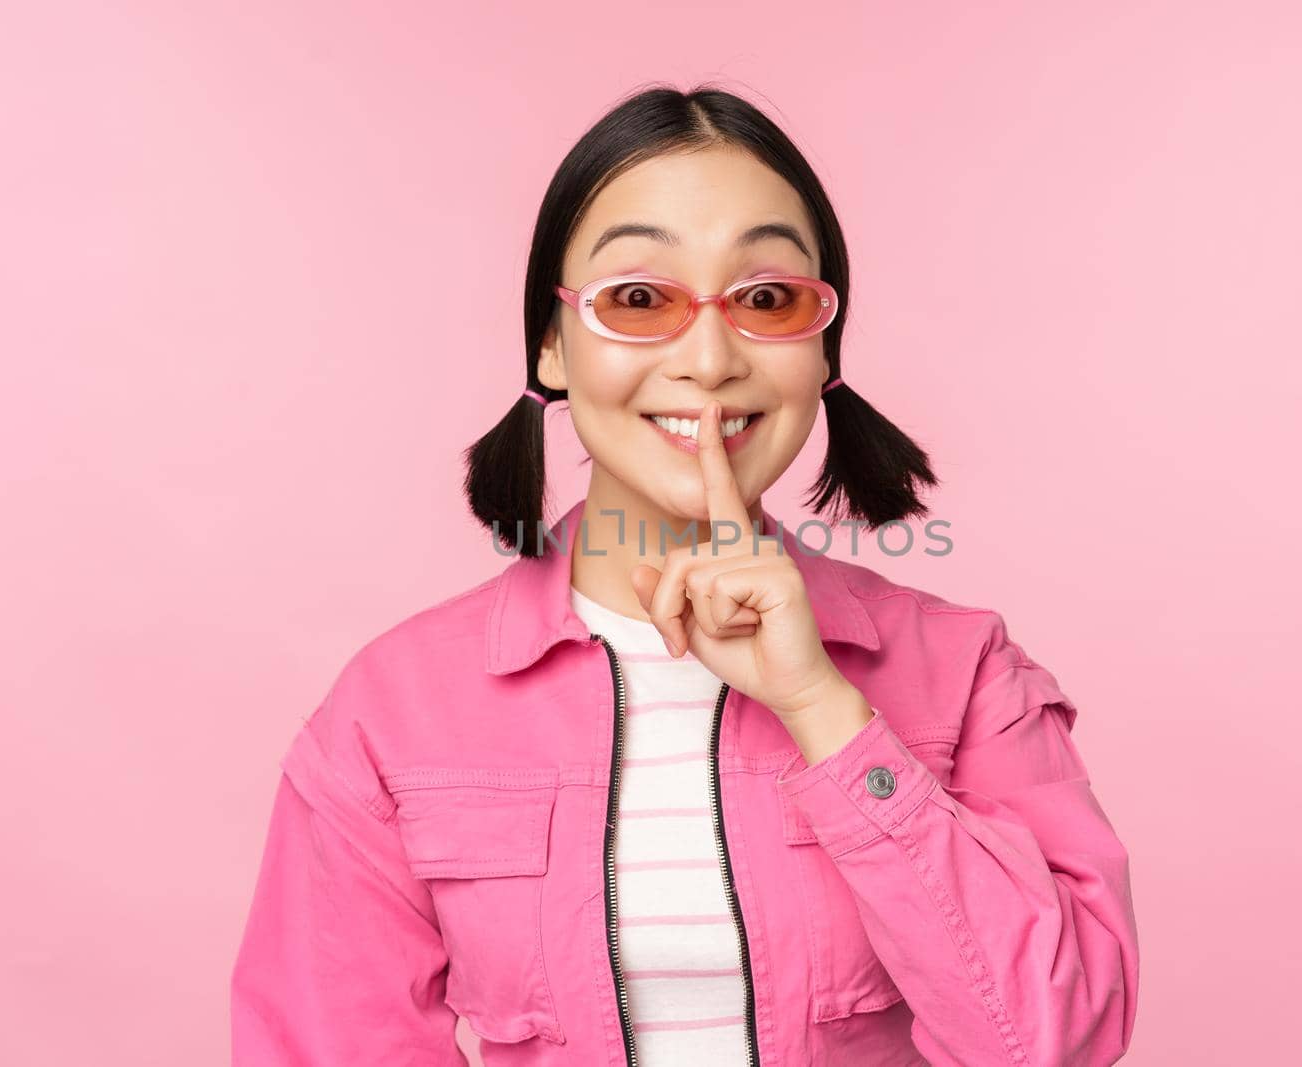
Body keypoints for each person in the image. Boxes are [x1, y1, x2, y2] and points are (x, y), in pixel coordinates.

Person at [231, 83, 1140, 1067]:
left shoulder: (965, 672)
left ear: (821, 344)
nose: (708, 358)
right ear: (551, 341)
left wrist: (820, 706)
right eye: (637, 298)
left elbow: (1056, 1039)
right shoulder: (391, 710)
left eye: (766, 299)